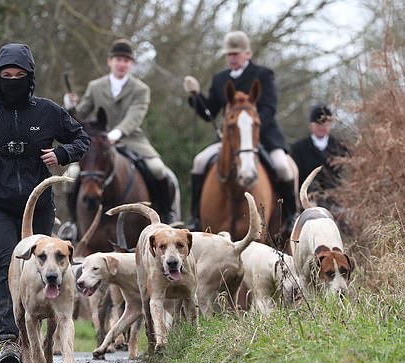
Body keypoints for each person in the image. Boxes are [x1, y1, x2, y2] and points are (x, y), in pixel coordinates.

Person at [0, 43, 90, 363]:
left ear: (29, 78)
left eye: (18, 75)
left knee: (44, 267)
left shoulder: (48, 111)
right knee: (4, 263)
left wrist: (62, 154)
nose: (12, 80)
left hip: (38, 200)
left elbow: (82, 139)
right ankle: (10, 341)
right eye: (6, 76)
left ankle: (42, 339)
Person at [61, 38, 179, 234]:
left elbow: (135, 115)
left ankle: (167, 214)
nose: (121, 64)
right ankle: (73, 223)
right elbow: (80, 116)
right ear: (110, 61)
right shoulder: (95, 86)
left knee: (158, 170)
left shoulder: (140, 89)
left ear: (131, 64)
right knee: (71, 175)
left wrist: (117, 132)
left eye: (126, 60)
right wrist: (69, 106)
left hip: (131, 139)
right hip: (98, 143)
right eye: (118, 59)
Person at [183, 30, 297, 232]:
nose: (232, 58)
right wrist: (195, 96)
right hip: (231, 138)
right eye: (229, 54)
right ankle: (195, 218)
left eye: (236, 54)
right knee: (199, 162)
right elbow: (210, 112)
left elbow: (269, 107)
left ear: (247, 54)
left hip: (264, 135)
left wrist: (251, 125)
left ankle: (290, 216)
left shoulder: (263, 74)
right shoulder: (220, 79)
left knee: (282, 167)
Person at [291, 104, 350, 209]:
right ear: (311, 125)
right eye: (318, 124)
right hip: (308, 200)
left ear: (330, 124)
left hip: (336, 200)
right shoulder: (298, 148)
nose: (321, 127)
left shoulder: (341, 146)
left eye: (325, 124)